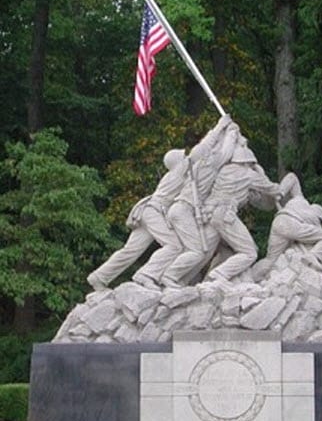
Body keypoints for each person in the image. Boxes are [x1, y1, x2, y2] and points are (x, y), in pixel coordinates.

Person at [87, 115, 231, 291]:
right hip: (154, 211)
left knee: (130, 250)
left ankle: (99, 277)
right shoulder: (179, 171)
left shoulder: (176, 175)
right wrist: (219, 127)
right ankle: (146, 275)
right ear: (178, 162)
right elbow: (201, 149)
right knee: (174, 246)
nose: (187, 157)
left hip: (148, 211)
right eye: (184, 156)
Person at [162, 142, 281, 286]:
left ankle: (176, 277)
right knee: (249, 252)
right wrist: (260, 172)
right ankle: (218, 275)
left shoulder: (224, 170)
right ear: (249, 162)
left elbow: (257, 200)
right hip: (224, 216)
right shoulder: (250, 175)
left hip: (210, 215)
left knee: (207, 253)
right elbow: (275, 190)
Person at [265, 172, 322, 273]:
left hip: (279, 220)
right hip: (292, 225)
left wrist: (280, 193)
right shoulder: (315, 220)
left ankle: (251, 276)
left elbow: (292, 177)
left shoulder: (300, 199)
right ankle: (313, 256)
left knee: (270, 261)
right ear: (320, 218)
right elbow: (314, 242)